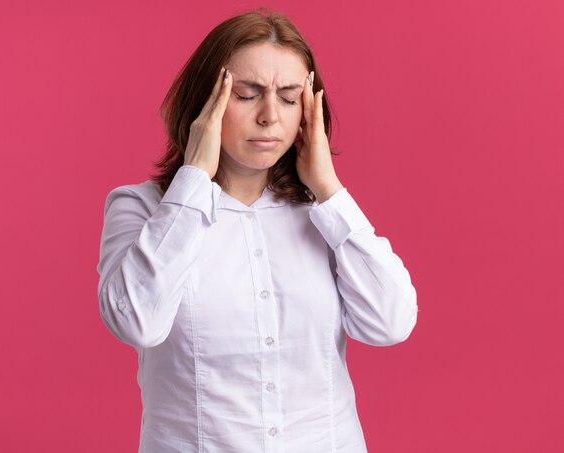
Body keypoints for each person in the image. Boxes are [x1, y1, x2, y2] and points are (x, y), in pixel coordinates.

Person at [96, 9, 417, 453]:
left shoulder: (322, 212)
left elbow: (391, 322)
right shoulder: (142, 208)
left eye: (288, 98)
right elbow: (137, 322)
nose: (270, 116)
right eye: (246, 95)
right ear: (204, 104)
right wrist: (194, 181)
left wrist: (329, 189)